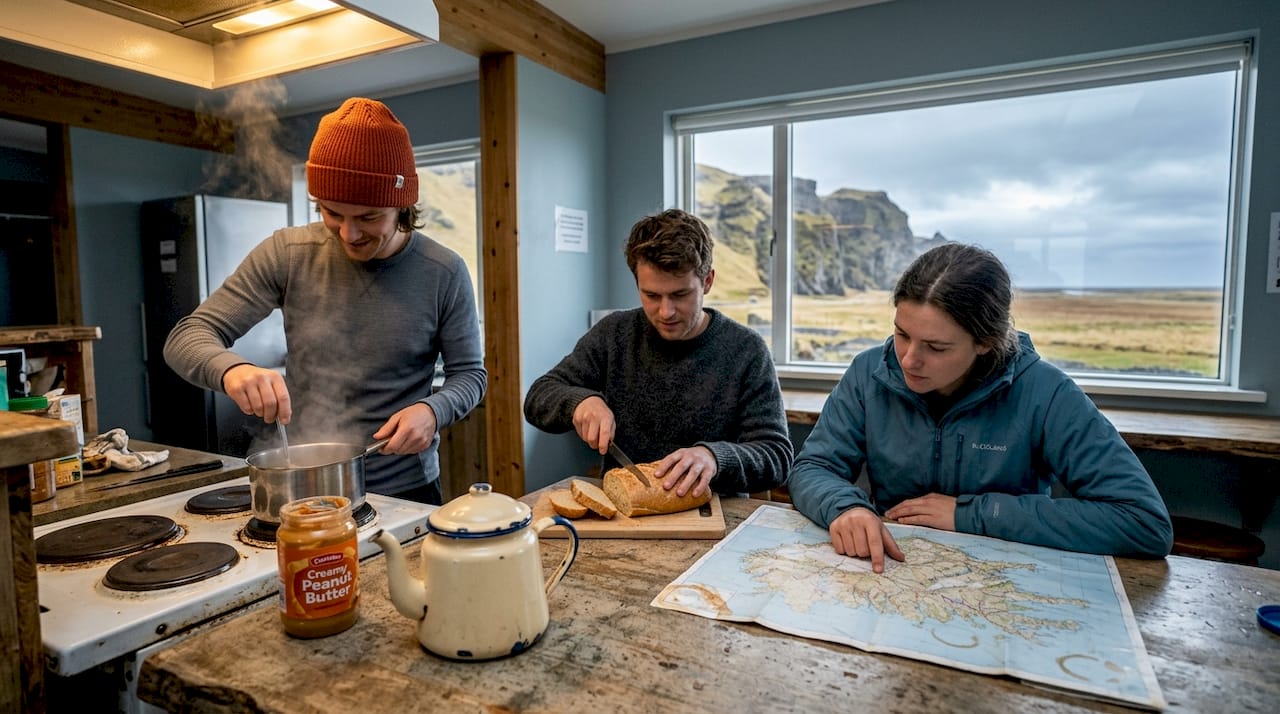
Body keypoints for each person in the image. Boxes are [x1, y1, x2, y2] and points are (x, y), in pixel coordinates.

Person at [165, 97, 486, 505]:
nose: (349, 234)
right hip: (302, 485)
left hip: (405, 490)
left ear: (403, 204)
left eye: (369, 217)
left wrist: (433, 410)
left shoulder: (444, 271)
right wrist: (233, 370)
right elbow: (187, 336)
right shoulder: (288, 252)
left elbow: (471, 376)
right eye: (332, 213)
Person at [788, 243, 1173, 572]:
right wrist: (845, 508)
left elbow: (1143, 522)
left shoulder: (1046, 392)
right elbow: (813, 467)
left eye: (935, 347)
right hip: (893, 572)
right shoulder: (867, 371)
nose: (908, 359)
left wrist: (970, 515)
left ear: (986, 342)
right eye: (902, 334)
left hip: (1006, 583)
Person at [524, 208, 791, 498]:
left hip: (717, 518)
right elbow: (538, 397)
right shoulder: (614, 334)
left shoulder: (746, 349)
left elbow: (776, 456)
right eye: (651, 295)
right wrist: (579, 402)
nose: (665, 312)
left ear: (708, 281)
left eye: (680, 295)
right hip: (625, 514)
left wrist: (714, 458)